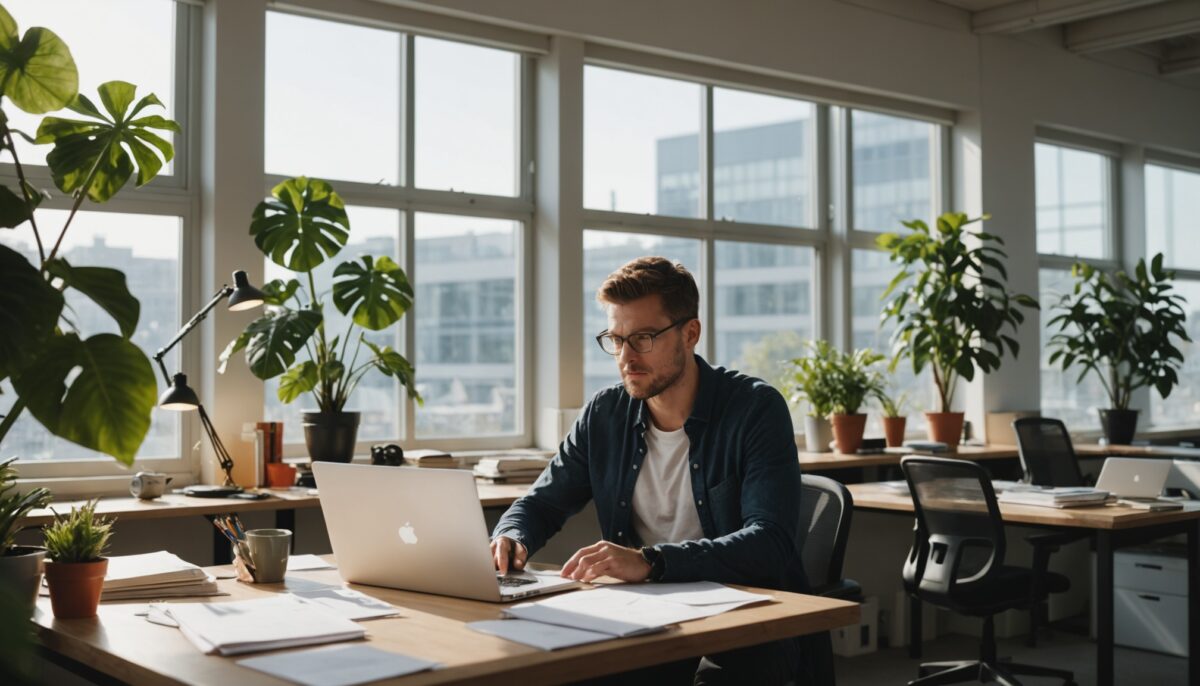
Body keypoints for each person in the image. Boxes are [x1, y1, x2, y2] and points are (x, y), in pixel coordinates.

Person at [491, 256, 823, 685]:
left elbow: (770, 542)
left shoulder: (755, 409)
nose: (626, 357)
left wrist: (651, 562)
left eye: (643, 338)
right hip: (640, 612)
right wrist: (511, 535)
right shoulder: (605, 413)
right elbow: (542, 503)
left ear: (690, 333)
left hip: (746, 615)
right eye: (616, 339)